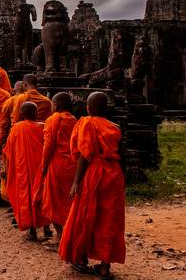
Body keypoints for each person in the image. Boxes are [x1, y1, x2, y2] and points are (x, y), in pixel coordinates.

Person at [59, 92, 126, 279]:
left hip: (94, 174)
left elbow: (84, 155)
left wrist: (76, 181)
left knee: (84, 215)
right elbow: (123, 156)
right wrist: (123, 180)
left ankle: (80, 257)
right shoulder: (115, 127)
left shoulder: (87, 123)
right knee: (110, 220)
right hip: (114, 175)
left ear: (88, 108)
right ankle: (105, 266)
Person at [4, 101, 49, 240]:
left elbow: (9, 151)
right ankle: (47, 228)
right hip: (41, 169)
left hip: (23, 169)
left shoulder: (16, 128)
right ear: (36, 113)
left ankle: (32, 230)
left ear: (21, 114)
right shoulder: (44, 127)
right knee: (43, 197)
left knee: (27, 197)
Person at [37, 92, 78, 244]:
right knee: (68, 202)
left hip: (57, 164)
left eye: (53, 104)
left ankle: (60, 236)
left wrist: (44, 166)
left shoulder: (53, 119)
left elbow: (48, 145)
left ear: (56, 105)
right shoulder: (74, 120)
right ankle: (69, 235)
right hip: (73, 165)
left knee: (53, 201)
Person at [0, 81, 25, 203]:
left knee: (12, 173)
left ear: (14, 90)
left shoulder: (10, 101)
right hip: (33, 141)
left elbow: (4, 125)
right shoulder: (43, 100)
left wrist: (0, 143)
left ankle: (13, 201)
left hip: (13, 140)